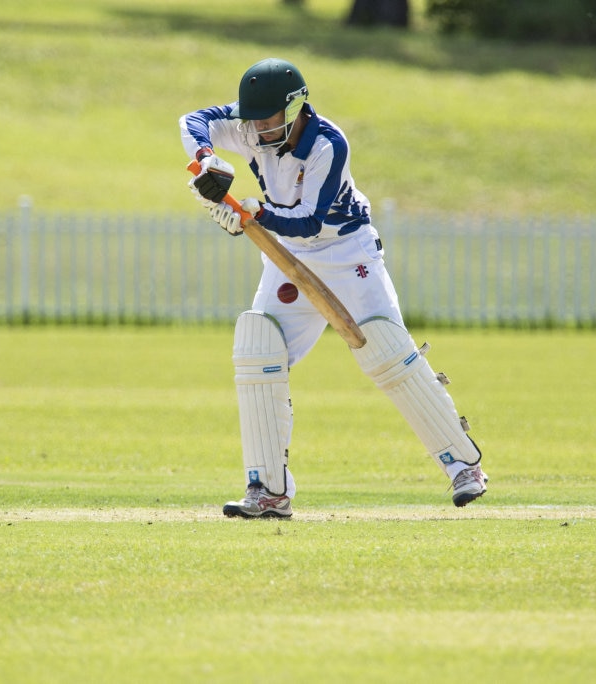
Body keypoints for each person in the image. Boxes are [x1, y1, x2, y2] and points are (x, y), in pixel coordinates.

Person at [180, 57, 485, 518]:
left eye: (269, 121)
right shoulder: (250, 127)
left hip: (347, 253)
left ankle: (463, 465)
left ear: (296, 108)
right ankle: (268, 491)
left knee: (389, 353)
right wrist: (207, 159)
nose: (258, 131)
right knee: (258, 346)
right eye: (253, 121)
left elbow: (309, 222)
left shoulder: (328, 144)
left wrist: (251, 215)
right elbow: (193, 120)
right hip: (287, 256)